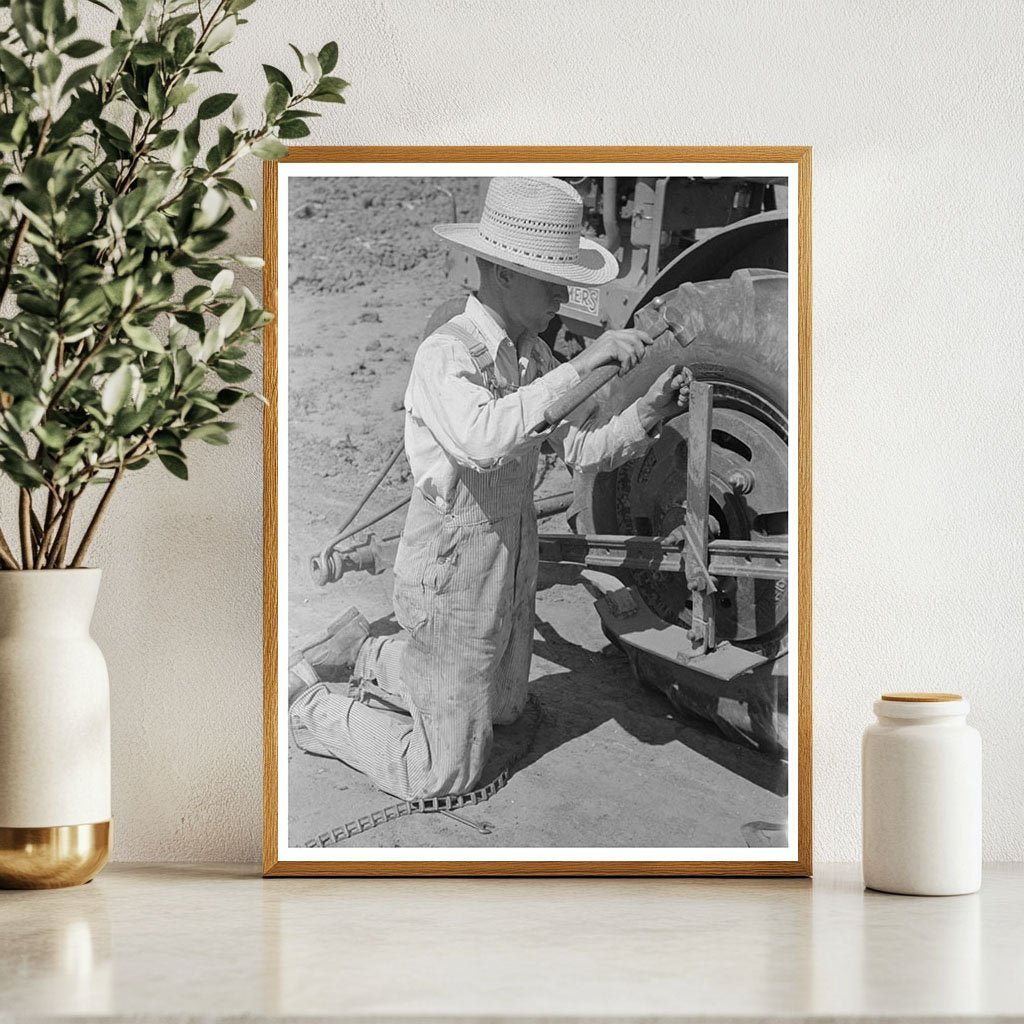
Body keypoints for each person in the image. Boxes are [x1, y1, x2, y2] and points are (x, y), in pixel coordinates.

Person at [288, 176, 691, 801]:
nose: (563, 292)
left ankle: (366, 652)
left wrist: (649, 414)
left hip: (509, 559)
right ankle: (308, 706)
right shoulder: (445, 356)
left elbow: (581, 448)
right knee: (444, 770)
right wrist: (587, 365)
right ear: (502, 272)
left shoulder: (530, 357)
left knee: (505, 709)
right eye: (551, 277)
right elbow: (484, 441)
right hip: (448, 570)